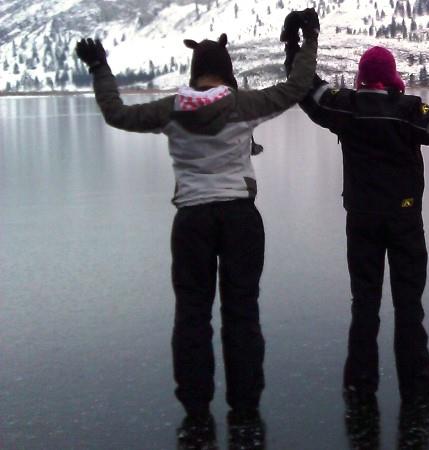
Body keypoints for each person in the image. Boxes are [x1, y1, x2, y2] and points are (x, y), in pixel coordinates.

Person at [74, 8, 320, 427]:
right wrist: (308, 39)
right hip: (240, 219)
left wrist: (100, 69)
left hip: (191, 221)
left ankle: (195, 409)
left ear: (195, 70)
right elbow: (297, 87)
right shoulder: (245, 105)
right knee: (242, 312)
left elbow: (116, 114)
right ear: (226, 70)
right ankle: (245, 407)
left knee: (192, 314)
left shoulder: (172, 110)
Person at [296, 45, 429, 405]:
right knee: (408, 304)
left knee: (365, 302)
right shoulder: (409, 109)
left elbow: (307, 91)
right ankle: (417, 382)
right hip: (404, 218)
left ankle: (360, 384)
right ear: (391, 75)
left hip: (361, 217)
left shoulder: (345, 106)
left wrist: (298, 49)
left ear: (361, 74)